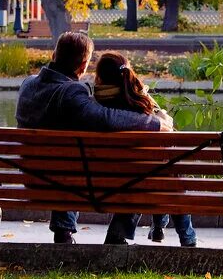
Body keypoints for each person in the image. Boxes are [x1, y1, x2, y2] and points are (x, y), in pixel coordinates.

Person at [15, 31, 163, 245]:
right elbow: (106, 118)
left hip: (30, 176)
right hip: (66, 180)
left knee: (68, 160)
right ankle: (117, 235)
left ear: (54, 54)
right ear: (83, 65)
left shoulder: (27, 84)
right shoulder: (72, 92)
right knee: (136, 170)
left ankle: (64, 232)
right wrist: (156, 123)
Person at [93, 51, 197, 247]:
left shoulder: (93, 106)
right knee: (167, 174)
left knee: (146, 175)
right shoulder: (140, 105)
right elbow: (168, 129)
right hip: (142, 177)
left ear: (99, 77)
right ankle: (187, 238)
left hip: (102, 181)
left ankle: (141, 229)